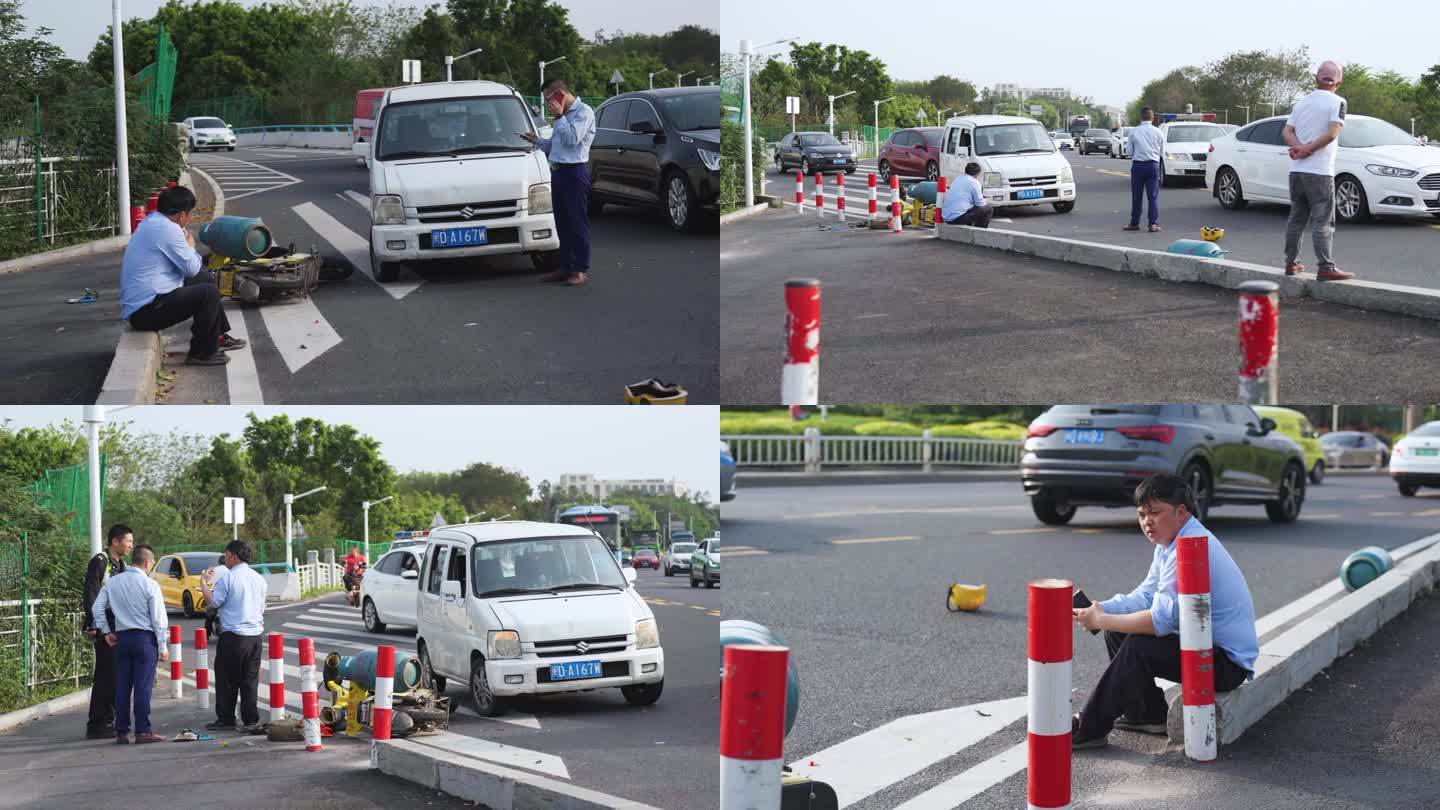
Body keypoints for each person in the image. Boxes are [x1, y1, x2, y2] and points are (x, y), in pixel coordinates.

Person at [1070, 473, 1258, 749]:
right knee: (1117, 630)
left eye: (1155, 513)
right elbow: (1146, 595)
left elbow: (1161, 621)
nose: (1147, 522)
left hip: (1224, 663)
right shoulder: (1170, 543)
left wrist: (1103, 619)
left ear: (1181, 513)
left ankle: (1089, 728)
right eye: (1142, 514)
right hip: (1205, 648)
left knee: (1137, 644)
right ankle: (1146, 714)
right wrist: (1101, 610)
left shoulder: (1188, 547)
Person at [120, 185, 248, 365]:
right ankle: (201, 353)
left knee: (205, 279)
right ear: (181, 215)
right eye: (190, 213)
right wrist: (190, 246)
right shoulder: (167, 230)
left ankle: (218, 336)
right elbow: (192, 268)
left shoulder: (154, 221)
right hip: (146, 311)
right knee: (207, 294)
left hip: (146, 303)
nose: (191, 218)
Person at [1282, 61, 1354, 281]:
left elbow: (1287, 130)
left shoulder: (1302, 102)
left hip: (1297, 172)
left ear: (1316, 78)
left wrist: (1298, 147)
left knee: (1297, 219)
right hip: (1320, 172)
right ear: (1338, 82)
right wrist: (1307, 149)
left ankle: (1291, 263)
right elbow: (1332, 134)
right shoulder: (1339, 102)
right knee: (1323, 221)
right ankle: (1326, 267)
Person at [520, 78, 596, 287]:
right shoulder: (562, 116)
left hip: (575, 172)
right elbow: (556, 146)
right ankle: (566, 266)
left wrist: (560, 116)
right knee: (562, 222)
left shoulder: (584, 112)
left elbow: (572, 139)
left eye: (548, 99)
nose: (546, 104)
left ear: (560, 94)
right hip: (558, 171)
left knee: (577, 222)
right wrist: (536, 141)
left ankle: (580, 269)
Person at [90, 544, 169, 744]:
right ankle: (142, 731)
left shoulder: (114, 582)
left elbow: (97, 608)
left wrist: (106, 631)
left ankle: (121, 731)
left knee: (122, 686)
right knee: (142, 687)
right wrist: (163, 646)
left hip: (121, 639)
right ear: (148, 562)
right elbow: (159, 619)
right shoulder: (150, 585)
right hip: (144, 639)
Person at [201, 540, 268, 733]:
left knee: (227, 679)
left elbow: (213, 602)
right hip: (255, 636)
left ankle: (226, 718)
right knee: (250, 680)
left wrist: (203, 582)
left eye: (226, 555)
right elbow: (263, 607)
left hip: (234, 635)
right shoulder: (259, 579)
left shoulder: (228, 579)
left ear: (233, 556)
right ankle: (250, 720)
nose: (225, 559)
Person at [81, 524, 132, 739]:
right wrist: (93, 624)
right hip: (104, 625)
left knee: (115, 675)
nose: (130, 545)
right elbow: (91, 592)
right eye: (128, 541)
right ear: (115, 541)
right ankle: (97, 723)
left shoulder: (122, 565)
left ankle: (109, 719)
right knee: (105, 675)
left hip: (118, 625)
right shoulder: (100, 561)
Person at [1124, 108, 1166, 232]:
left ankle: (1134, 223)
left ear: (1140, 118)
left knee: (1137, 196)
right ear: (1152, 118)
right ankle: (1153, 224)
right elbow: (1162, 151)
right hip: (1153, 165)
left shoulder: (1134, 131)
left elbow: (1129, 152)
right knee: (1152, 196)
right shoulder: (1158, 132)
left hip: (1138, 166)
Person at [940, 162, 993, 228]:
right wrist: (986, 200)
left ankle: (971, 229)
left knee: (968, 208)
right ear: (978, 173)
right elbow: (980, 204)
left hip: (946, 217)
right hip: (958, 218)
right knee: (988, 208)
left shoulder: (958, 179)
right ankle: (979, 231)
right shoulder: (975, 182)